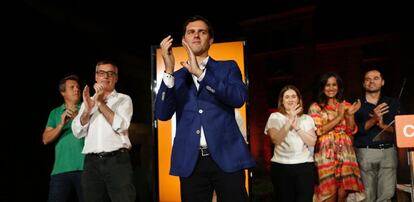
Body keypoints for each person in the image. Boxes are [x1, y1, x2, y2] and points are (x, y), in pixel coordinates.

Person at [155, 15, 255, 202]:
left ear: (211, 39)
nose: (196, 36)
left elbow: (238, 98)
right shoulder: (175, 77)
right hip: (191, 161)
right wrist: (168, 70)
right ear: (184, 40)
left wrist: (201, 74)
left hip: (227, 157)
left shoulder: (228, 67)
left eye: (202, 32)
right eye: (191, 32)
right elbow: (162, 114)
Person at [71, 60, 135, 202]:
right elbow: (77, 131)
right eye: (101, 73)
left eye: (110, 73)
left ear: (116, 78)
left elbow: (121, 125)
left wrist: (100, 103)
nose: (106, 76)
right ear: (96, 77)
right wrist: (87, 110)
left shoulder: (123, 99)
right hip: (91, 163)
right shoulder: (88, 101)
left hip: (117, 161)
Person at [308, 72, 365, 202]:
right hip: (325, 153)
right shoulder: (315, 107)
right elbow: (319, 130)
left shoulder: (346, 105)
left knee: (343, 194)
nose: (331, 88)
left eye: (334, 85)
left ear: (339, 87)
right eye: (327, 85)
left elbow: (351, 131)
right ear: (322, 87)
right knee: (329, 193)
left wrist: (349, 115)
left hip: (346, 152)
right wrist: (339, 117)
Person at [354, 69, 401, 202]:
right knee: (366, 197)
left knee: (386, 195)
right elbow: (353, 130)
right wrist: (373, 119)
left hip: (388, 152)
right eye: (368, 79)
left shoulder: (393, 103)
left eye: (375, 78)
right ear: (363, 84)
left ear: (382, 82)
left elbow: (401, 128)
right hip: (365, 152)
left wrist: (382, 126)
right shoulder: (357, 105)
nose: (371, 81)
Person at [264, 85, 317, 202]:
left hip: (304, 166)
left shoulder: (306, 118)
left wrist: (297, 127)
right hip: (281, 167)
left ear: (299, 99)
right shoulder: (275, 117)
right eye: (287, 97)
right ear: (282, 101)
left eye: (294, 96)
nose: (291, 99)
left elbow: (312, 141)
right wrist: (290, 120)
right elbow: (276, 140)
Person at [42, 74, 84, 202]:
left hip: (85, 168)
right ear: (63, 92)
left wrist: (79, 117)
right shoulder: (55, 113)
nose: (77, 89)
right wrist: (61, 124)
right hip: (60, 170)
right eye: (72, 87)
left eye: (78, 87)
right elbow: (45, 139)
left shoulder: (87, 108)